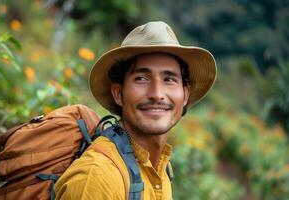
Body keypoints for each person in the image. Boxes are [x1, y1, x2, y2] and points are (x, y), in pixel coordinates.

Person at [54, 21, 217, 200]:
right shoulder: (97, 177)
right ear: (118, 93)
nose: (157, 94)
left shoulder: (160, 170)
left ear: (185, 95)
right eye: (141, 78)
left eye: (169, 79)